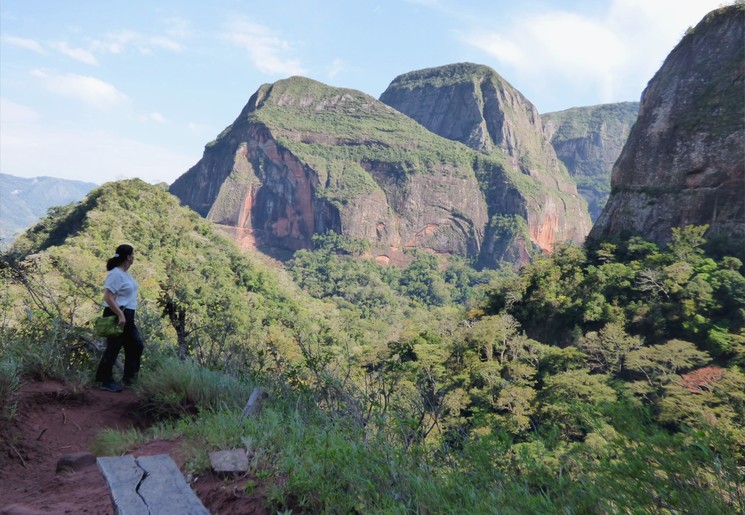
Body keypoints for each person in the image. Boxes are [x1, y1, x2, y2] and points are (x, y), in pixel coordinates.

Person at [95, 244, 144, 392]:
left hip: (127, 314)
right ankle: (105, 380)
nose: (134, 257)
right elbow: (108, 296)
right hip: (118, 314)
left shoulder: (125, 273)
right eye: (133, 254)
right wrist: (120, 314)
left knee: (135, 345)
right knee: (114, 347)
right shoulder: (115, 273)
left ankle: (129, 379)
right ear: (128, 257)